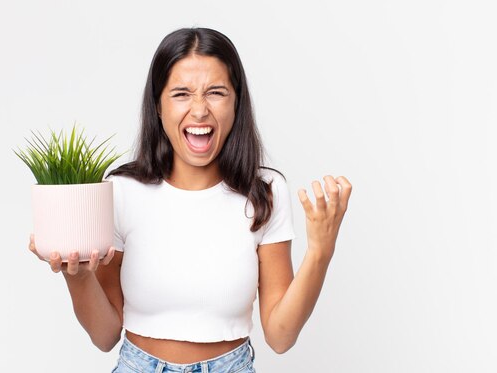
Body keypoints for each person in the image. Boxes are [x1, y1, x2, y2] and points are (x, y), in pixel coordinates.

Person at [29, 27, 351, 372]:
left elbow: (280, 336)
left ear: (236, 102)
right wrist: (75, 275)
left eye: (216, 92)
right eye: (181, 93)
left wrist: (320, 252)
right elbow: (105, 334)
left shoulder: (265, 192)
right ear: (158, 105)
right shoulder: (121, 190)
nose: (199, 110)